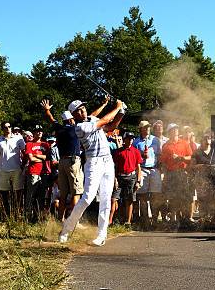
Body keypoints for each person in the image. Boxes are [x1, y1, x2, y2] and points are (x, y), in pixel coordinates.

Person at [59, 98, 126, 246]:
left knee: (106, 198)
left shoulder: (91, 119)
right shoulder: (80, 128)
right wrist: (117, 107)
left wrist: (121, 113)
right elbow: (103, 121)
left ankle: (102, 235)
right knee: (88, 197)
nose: (83, 111)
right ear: (74, 115)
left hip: (107, 161)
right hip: (93, 162)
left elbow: (110, 127)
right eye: (79, 111)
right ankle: (67, 229)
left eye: (83, 108)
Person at [41, 101, 84, 221]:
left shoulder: (59, 129)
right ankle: (73, 220)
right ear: (71, 120)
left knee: (63, 194)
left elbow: (51, 118)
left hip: (62, 162)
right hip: (73, 162)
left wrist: (47, 110)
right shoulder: (75, 129)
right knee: (76, 192)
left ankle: (61, 219)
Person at [160, 123, 194, 227]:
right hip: (171, 174)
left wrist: (181, 158)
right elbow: (163, 162)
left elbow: (191, 158)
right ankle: (174, 219)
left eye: (176, 129)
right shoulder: (165, 145)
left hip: (183, 172)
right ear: (169, 132)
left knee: (184, 196)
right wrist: (164, 175)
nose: (175, 131)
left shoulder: (184, 143)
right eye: (173, 129)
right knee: (173, 197)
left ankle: (185, 218)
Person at [132, 120, 163, 229]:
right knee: (142, 196)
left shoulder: (155, 140)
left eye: (148, 127)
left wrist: (160, 169)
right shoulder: (135, 142)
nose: (148, 129)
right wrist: (141, 155)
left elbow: (159, 156)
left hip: (154, 170)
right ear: (140, 129)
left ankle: (154, 220)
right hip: (142, 169)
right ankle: (145, 221)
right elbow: (134, 158)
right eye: (145, 127)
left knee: (156, 196)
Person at [0, 121, 26, 219]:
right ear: (2, 129)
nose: (7, 128)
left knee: (18, 192)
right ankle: (6, 214)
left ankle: (17, 213)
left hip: (16, 168)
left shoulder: (19, 139)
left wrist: (22, 165)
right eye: (5, 127)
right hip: (3, 169)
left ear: (11, 128)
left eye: (9, 126)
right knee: (4, 193)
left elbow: (25, 152)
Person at [112, 131, 143, 225]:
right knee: (114, 199)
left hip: (131, 177)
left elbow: (138, 168)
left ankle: (128, 222)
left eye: (132, 138)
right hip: (120, 177)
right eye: (128, 138)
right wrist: (115, 179)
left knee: (129, 200)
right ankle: (113, 219)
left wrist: (138, 181)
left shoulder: (136, 151)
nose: (130, 140)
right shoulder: (118, 152)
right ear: (124, 140)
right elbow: (115, 167)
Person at [25, 125, 49, 222]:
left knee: (41, 196)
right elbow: (31, 158)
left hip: (43, 173)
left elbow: (48, 158)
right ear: (34, 133)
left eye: (41, 131)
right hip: (33, 172)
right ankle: (28, 216)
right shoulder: (29, 144)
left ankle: (38, 217)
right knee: (31, 195)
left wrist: (36, 155)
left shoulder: (46, 145)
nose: (39, 133)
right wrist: (42, 157)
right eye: (37, 131)